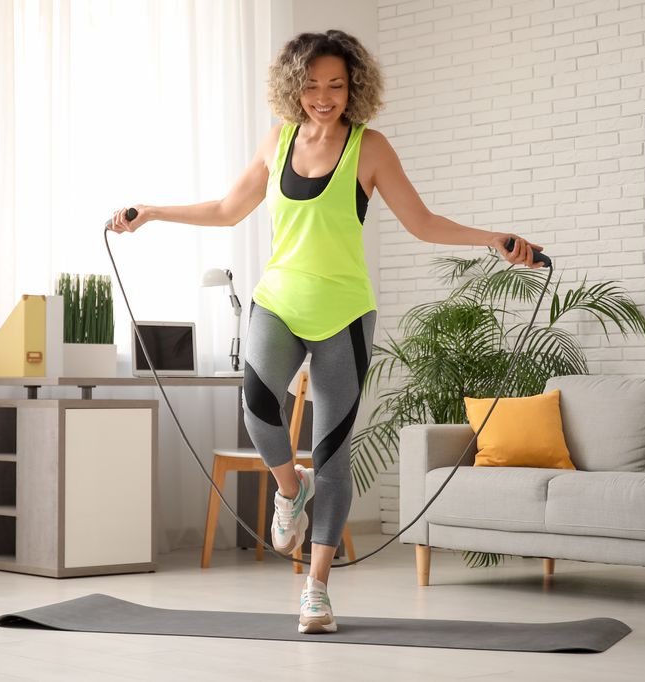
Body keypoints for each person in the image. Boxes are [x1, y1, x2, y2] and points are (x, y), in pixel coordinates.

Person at [108, 29, 545, 635]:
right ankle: (291, 489)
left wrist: (491, 240)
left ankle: (316, 590)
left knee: (335, 450)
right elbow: (228, 209)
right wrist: (153, 212)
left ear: (353, 87)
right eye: (311, 85)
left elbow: (421, 222)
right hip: (279, 300)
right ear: (294, 87)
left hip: (345, 314)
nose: (323, 96)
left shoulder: (370, 148)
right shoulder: (277, 142)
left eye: (336, 85)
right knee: (258, 405)